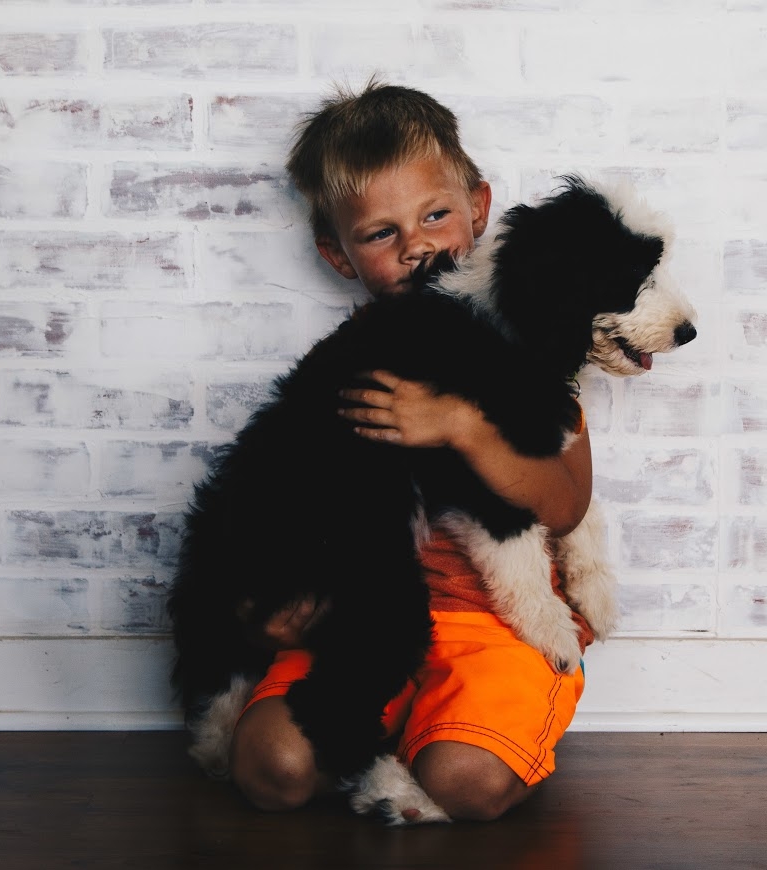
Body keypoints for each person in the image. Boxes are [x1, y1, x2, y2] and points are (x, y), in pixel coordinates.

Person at [228, 80, 595, 823]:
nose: (418, 244)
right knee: (273, 769)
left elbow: (563, 503)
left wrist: (462, 424)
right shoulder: (340, 376)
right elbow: (267, 503)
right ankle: (400, 716)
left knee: (466, 782)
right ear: (338, 255)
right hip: (361, 618)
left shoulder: (530, 358)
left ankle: (463, 728)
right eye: (380, 233)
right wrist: (257, 609)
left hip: (493, 624)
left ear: (479, 210)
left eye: (434, 215)